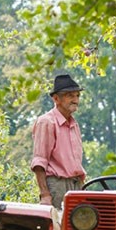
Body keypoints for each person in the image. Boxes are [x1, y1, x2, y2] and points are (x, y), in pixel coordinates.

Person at [31, 74, 86, 209]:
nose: (75, 100)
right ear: (56, 99)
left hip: (76, 186)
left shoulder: (74, 125)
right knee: (59, 227)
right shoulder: (47, 122)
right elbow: (39, 162)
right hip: (57, 185)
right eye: (70, 96)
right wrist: (45, 194)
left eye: (77, 96)